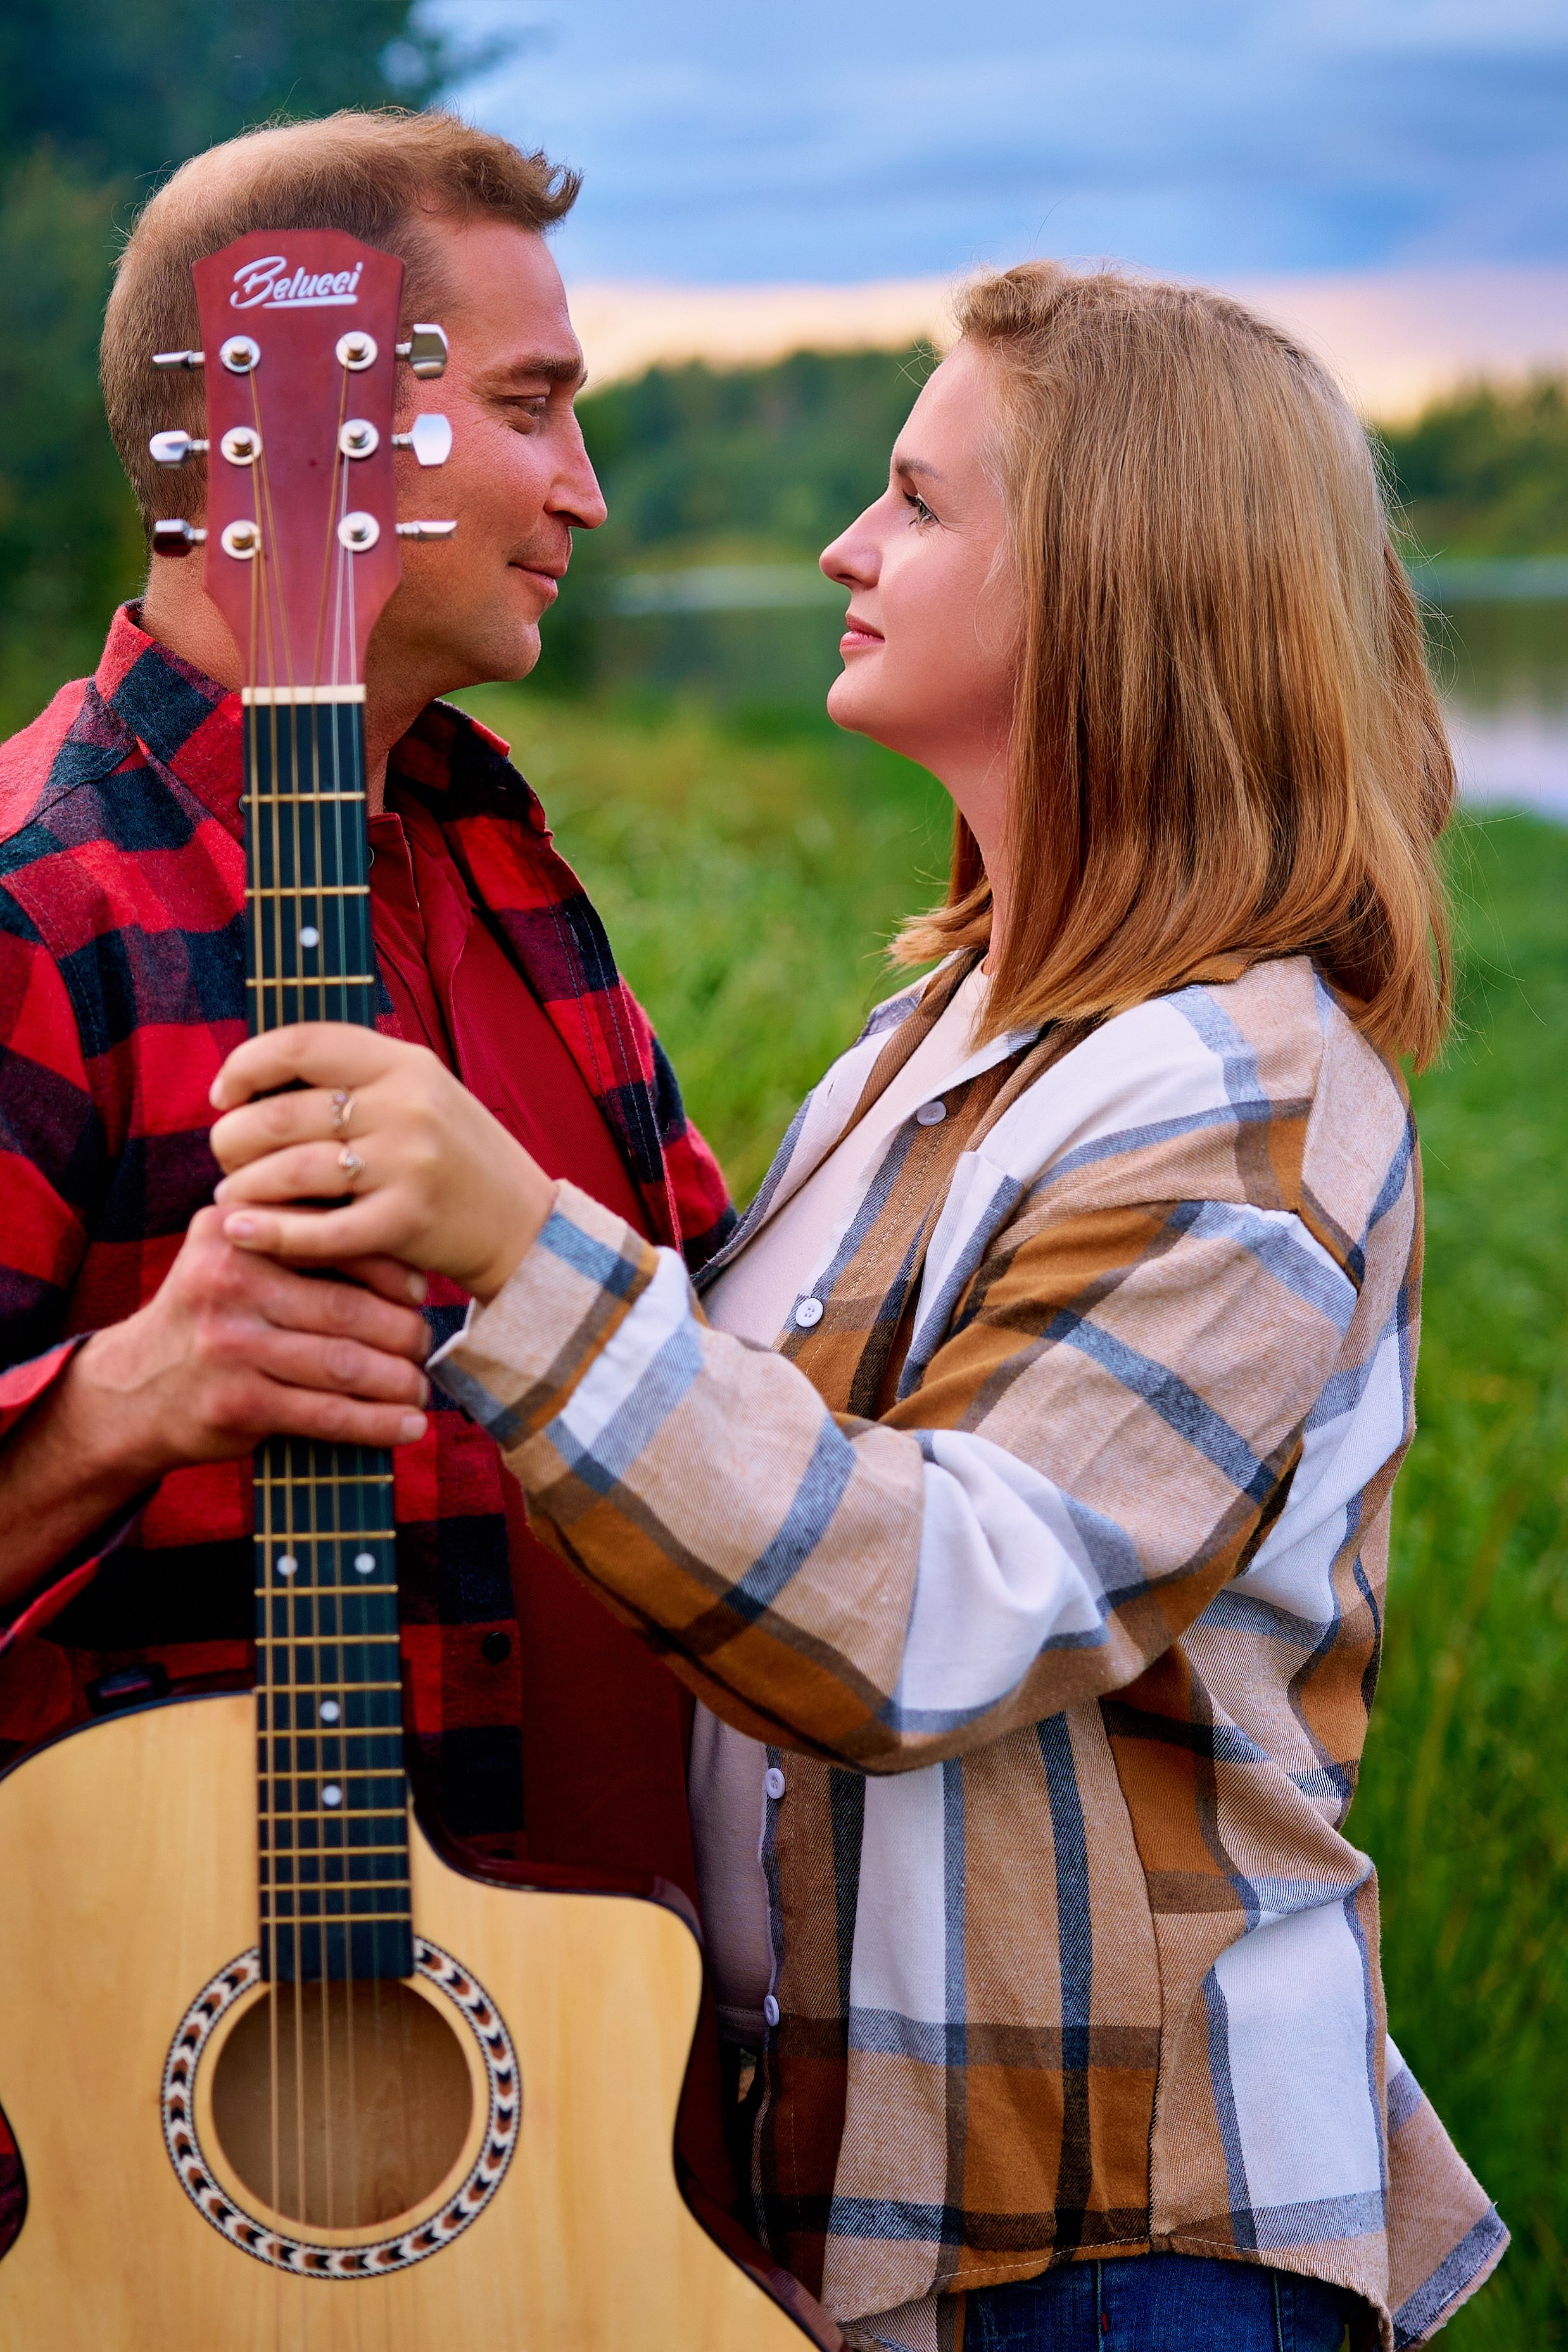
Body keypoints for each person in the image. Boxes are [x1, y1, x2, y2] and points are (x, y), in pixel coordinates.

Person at [209, 265, 1508, 2352]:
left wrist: (512, 1240)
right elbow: (754, 1477)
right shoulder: (942, 1044)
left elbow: (935, 1601)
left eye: (914, 502)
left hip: (1120, 2245)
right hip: (905, 2200)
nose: (843, 544)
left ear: (1101, 591)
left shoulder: (1237, 1093)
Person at [0, 108, 771, 2289]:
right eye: (531, 408)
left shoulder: (509, 869)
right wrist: (126, 1394)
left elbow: (702, 1372)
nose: (584, 492)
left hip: (592, 2172)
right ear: (282, 431)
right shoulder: (33, 908)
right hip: (162, 2222)